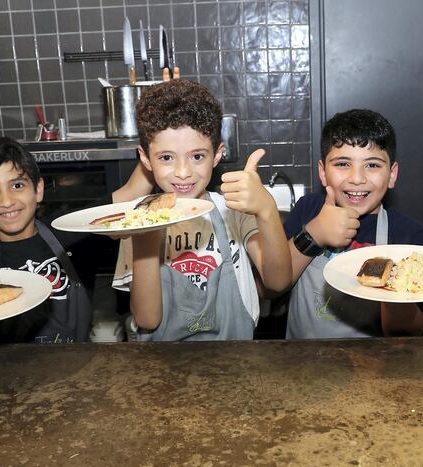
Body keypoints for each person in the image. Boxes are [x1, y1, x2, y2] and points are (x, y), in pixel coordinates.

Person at [112, 79, 292, 341]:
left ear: (217, 155)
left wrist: (266, 210)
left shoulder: (234, 211)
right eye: (166, 157)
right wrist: (146, 232)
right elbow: (147, 319)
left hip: (236, 360)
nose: (183, 172)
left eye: (197, 156)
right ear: (144, 158)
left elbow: (278, 282)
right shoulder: (138, 220)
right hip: (162, 371)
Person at [283, 109, 423, 338]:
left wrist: (394, 285)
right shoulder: (308, 210)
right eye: (343, 163)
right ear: (323, 172)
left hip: (373, 366)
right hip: (303, 361)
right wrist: (315, 233)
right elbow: (272, 286)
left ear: (392, 175)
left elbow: (407, 331)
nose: (357, 178)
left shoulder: (409, 235)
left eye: (372, 165)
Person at [0, 137, 99, 344]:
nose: (6, 201)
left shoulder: (67, 232)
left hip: (75, 361)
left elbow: (127, 195)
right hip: (7, 370)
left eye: (17, 185)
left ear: (38, 189)